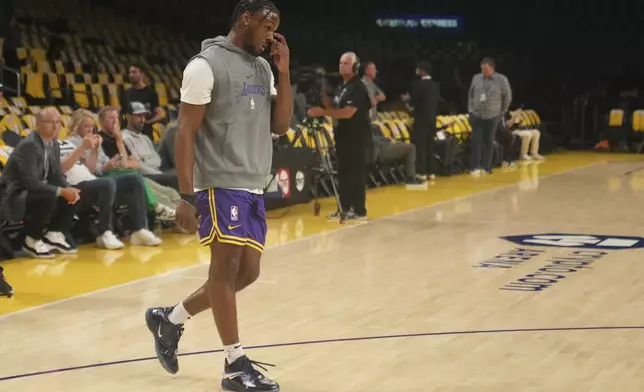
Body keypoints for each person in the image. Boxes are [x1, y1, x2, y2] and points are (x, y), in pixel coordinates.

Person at [145, 1, 292, 391]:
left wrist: (284, 70)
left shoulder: (263, 67)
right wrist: (186, 195)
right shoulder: (205, 65)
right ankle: (234, 364)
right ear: (245, 19)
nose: (270, 35)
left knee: (248, 273)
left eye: (275, 28)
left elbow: (281, 123)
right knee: (224, 269)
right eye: (265, 26)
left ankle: (170, 318)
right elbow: (185, 133)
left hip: (253, 183)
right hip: (219, 183)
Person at [60, 109, 163, 248]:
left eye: (92, 126)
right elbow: (84, 168)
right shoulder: (69, 143)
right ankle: (104, 232)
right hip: (83, 183)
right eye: (86, 126)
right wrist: (85, 150)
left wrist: (96, 149)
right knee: (107, 182)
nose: (90, 129)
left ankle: (139, 230)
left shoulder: (94, 139)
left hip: (95, 178)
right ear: (76, 126)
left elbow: (92, 168)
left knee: (134, 179)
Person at [0, 108, 80, 258]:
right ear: (38, 124)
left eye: (58, 122)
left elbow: (56, 174)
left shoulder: (53, 144)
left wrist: (69, 189)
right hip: (13, 193)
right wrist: (61, 191)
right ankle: (31, 240)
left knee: (73, 192)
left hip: (32, 190)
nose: (56, 126)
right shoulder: (29, 145)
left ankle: (54, 233)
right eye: (51, 123)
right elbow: (31, 182)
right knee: (50, 194)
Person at [308, 52, 372, 220]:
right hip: (342, 136)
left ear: (355, 67)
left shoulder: (357, 88)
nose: (342, 65)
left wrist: (323, 112)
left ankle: (359, 210)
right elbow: (335, 108)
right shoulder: (341, 87)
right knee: (343, 172)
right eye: (341, 62)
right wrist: (322, 95)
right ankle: (343, 208)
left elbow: (348, 113)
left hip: (356, 137)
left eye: (346, 63)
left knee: (355, 173)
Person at [468, 57, 512, 176]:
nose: (483, 71)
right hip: (477, 115)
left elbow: (507, 97)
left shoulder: (502, 79)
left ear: (492, 68)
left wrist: (501, 112)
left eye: (485, 69)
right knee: (475, 141)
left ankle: (486, 167)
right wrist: (470, 110)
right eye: (481, 68)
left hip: (492, 115)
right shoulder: (476, 78)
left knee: (488, 141)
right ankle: (475, 167)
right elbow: (470, 94)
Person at [402, 61, 439, 181]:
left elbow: (414, 103)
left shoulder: (418, 85)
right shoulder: (435, 85)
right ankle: (432, 171)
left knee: (421, 145)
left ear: (422, 71)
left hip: (421, 118)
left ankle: (422, 171)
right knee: (430, 144)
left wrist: (406, 100)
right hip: (432, 118)